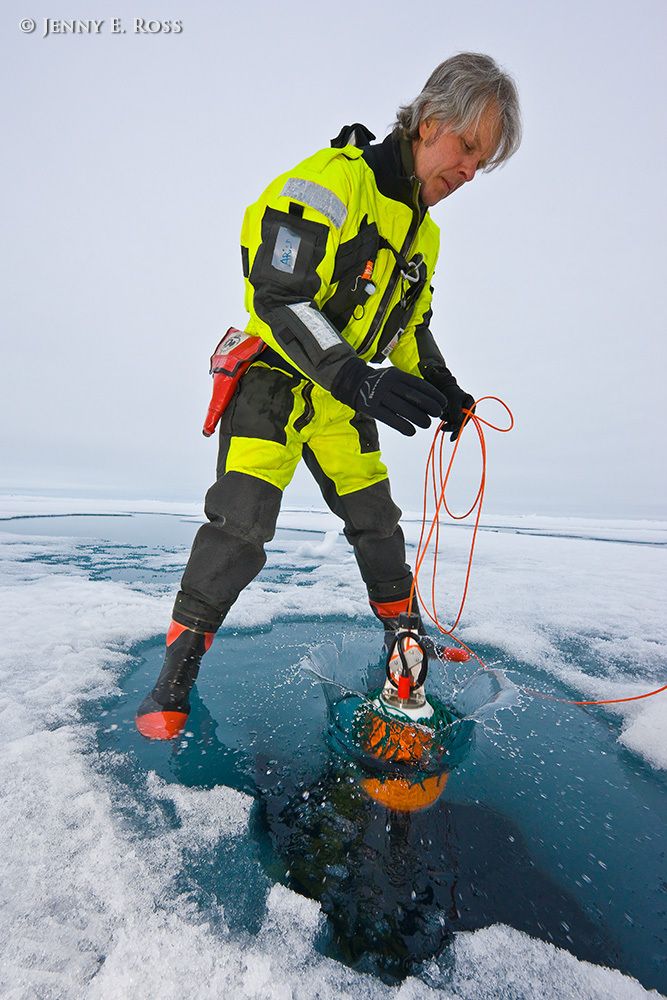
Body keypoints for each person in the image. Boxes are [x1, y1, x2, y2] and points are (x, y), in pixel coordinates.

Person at [136, 52, 522, 740]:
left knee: (376, 519)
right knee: (241, 526)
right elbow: (277, 293)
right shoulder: (331, 182)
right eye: (466, 148)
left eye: (480, 163)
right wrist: (353, 375)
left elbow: (410, 325)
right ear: (430, 120)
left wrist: (446, 388)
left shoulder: (423, 234)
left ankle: (402, 634)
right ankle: (178, 668)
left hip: (344, 398)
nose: (468, 172)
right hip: (277, 383)